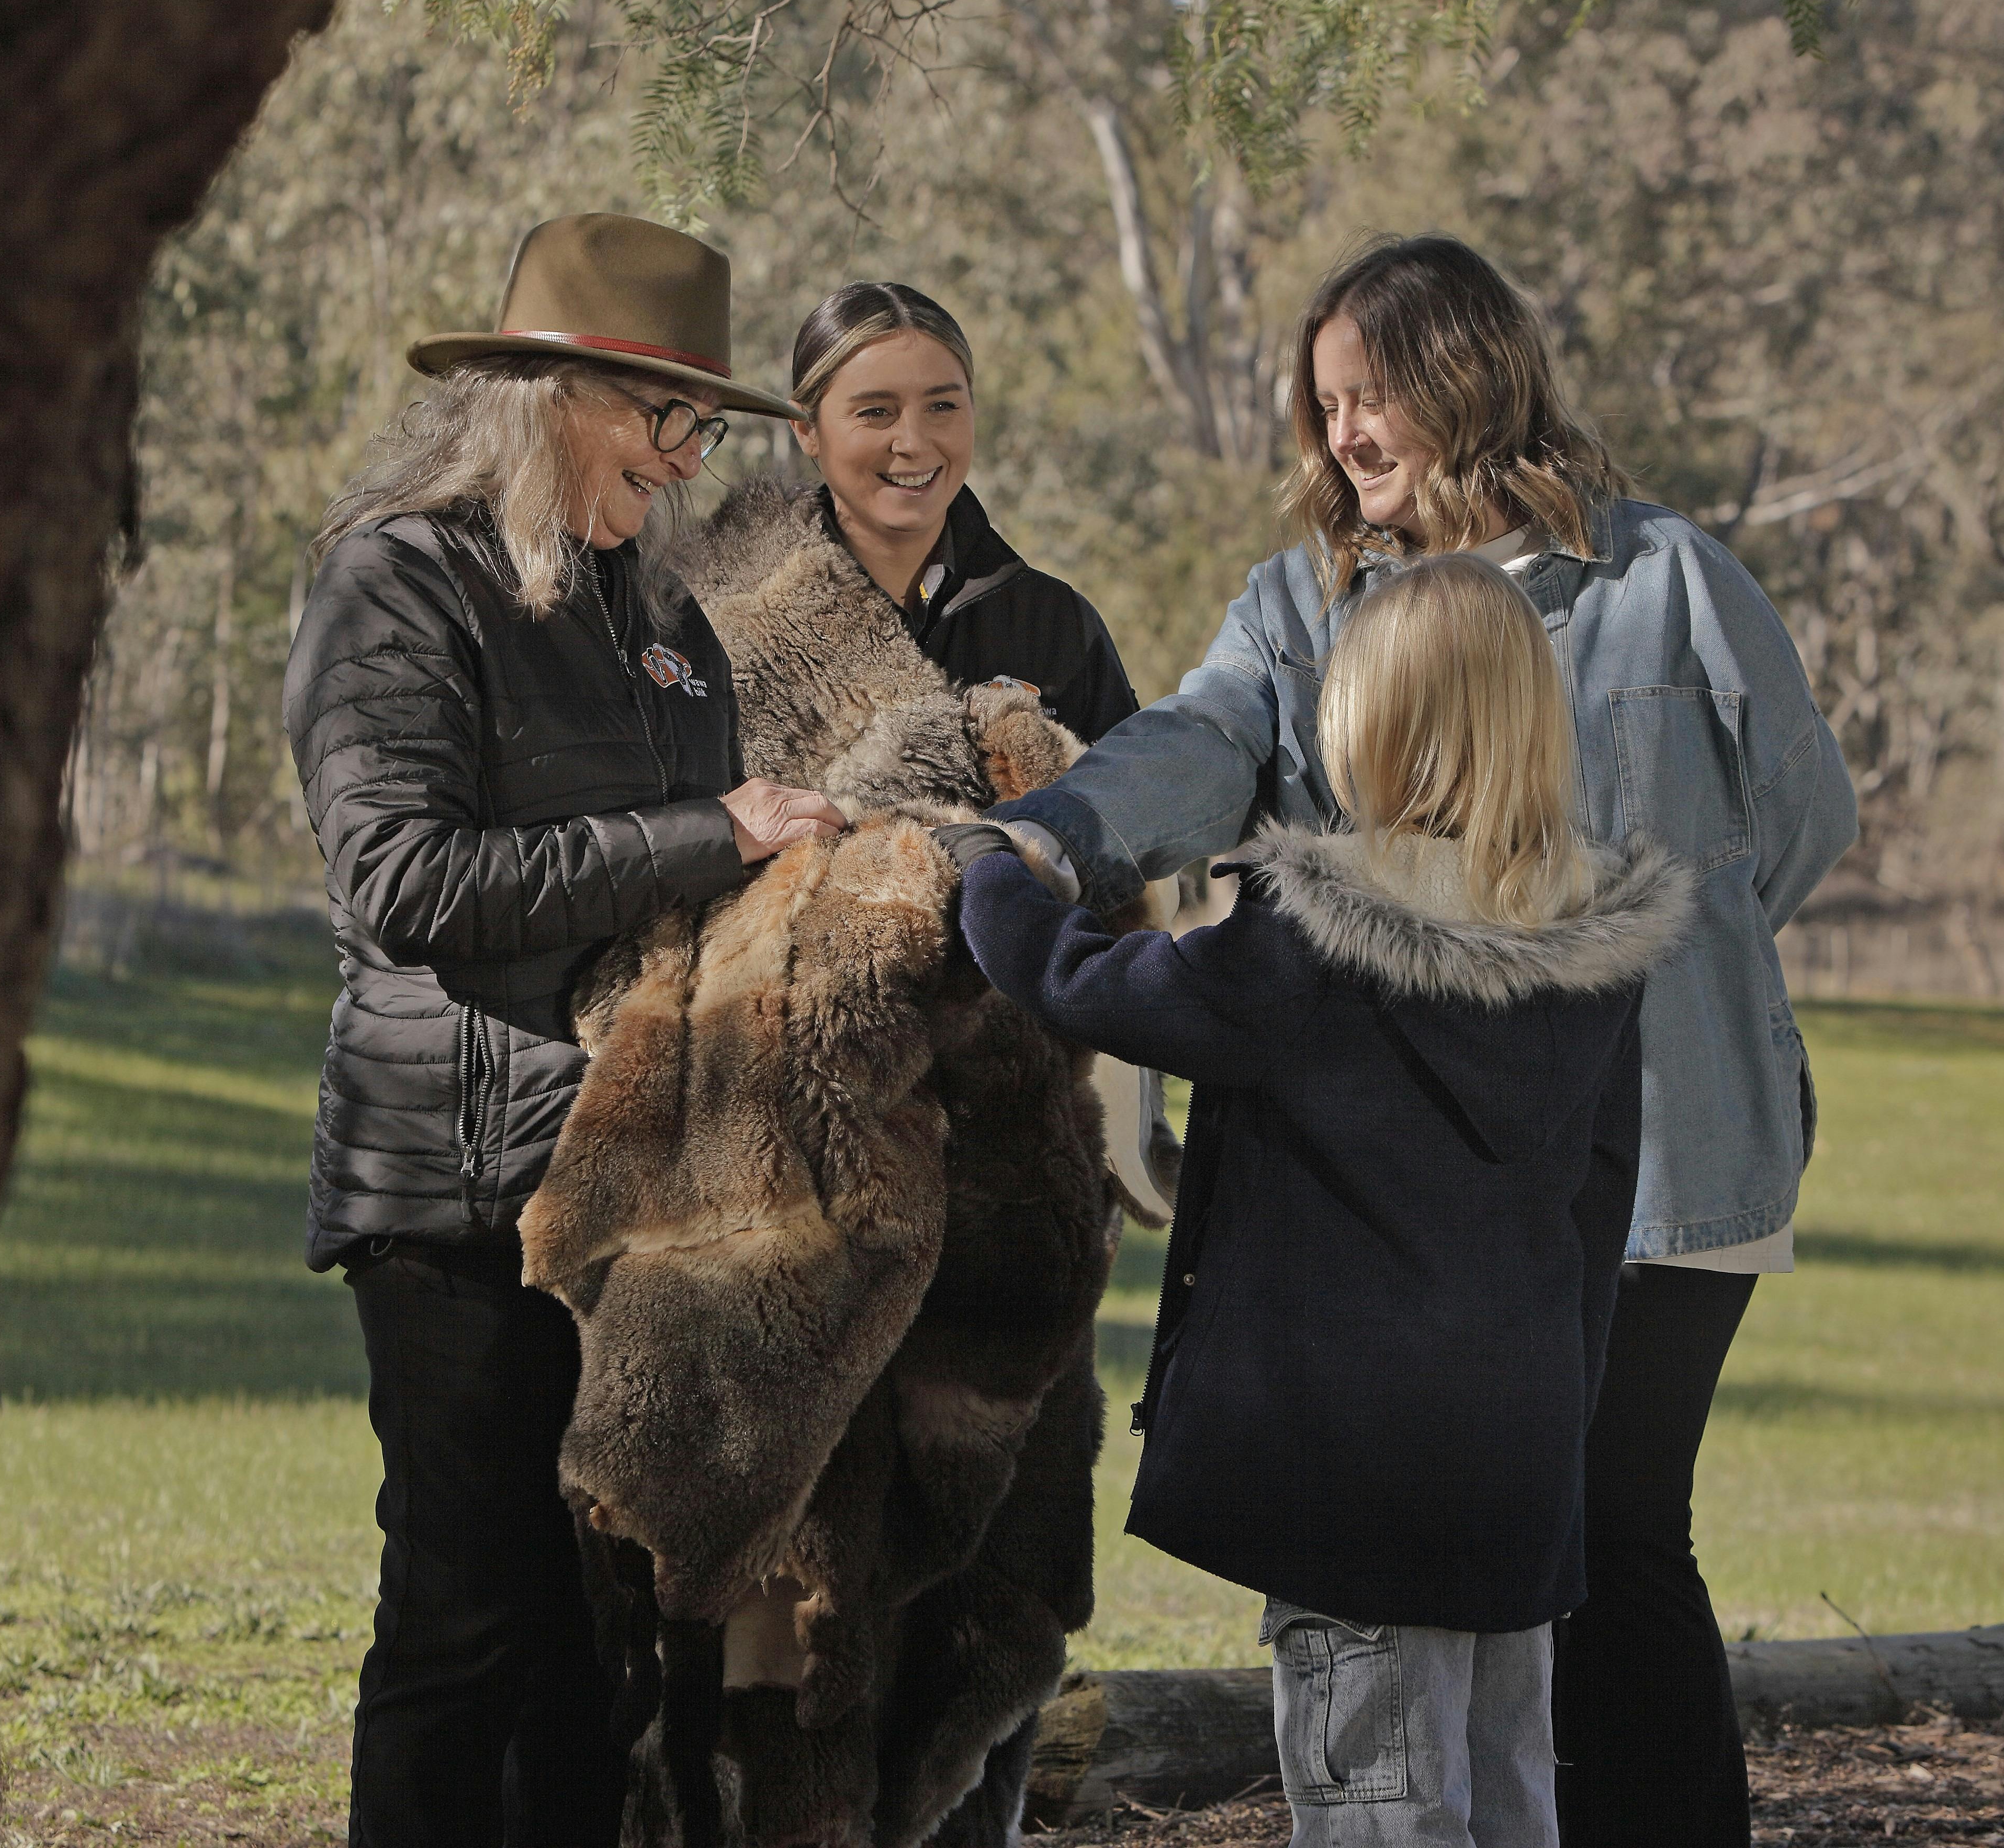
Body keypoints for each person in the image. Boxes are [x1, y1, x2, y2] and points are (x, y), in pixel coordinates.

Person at [985, 234, 1860, 1845]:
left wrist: (1651, 968)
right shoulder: (1305, 607)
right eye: (1323, 410)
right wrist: (1048, 841)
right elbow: (1194, 748)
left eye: (1365, 398)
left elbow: (1802, 820)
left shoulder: (1668, 579)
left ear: (1464, 377)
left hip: (1678, 1155)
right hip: (1440, 1205)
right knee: (1515, 1563)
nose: (1342, 439)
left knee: (1615, 1531)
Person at [941, 554, 1691, 1846]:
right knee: (1510, 1792)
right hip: (1514, 1465)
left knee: (1378, 1810)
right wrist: (1559, 1431)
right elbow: (1597, 1206)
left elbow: (1099, 989)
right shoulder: (1596, 952)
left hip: (1354, 1484)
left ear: (1375, 728)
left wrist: (993, 874)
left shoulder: (1315, 936)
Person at [283, 213, 846, 1848]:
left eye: (702, 429)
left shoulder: (660, 627)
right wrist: (712, 837)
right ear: (548, 396)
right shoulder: (392, 580)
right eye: (661, 418)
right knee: (470, 1624)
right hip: (458, 1205)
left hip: (638, 1208)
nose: (682, 464)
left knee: (604, 1656)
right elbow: (403, 880)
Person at [786, 280, 1139, 743]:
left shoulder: (1055, 625)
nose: (913, 443)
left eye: (941, 406)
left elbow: (1132, 804)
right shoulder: (735, 623)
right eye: (875, 412)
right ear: (805, 429)